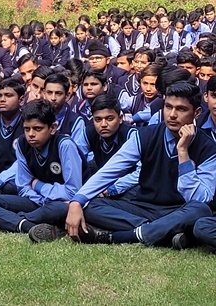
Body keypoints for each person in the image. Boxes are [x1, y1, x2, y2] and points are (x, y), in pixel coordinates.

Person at [65, 81, 216, 249]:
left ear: (197, 112)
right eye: (168, 107)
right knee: (90, 205)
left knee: (201, 210)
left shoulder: (208, 147)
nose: (172, 115)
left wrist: (183, 153)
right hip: (143, 208)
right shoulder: (145, 135)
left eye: (181, 109)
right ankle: (163, 231)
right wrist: (77, 200)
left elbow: (200, 198)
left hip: (180, 210)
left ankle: (126, 235)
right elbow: (110, 171)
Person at [0, 99, 82, 243]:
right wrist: (39, 198)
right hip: (36, 201)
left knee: (61, 209)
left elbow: (73, 192)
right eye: (27, 129)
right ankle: (27, 225)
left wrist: (38, 185)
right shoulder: (23, 143)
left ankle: (11, 219)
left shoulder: (64, 145)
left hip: (60, 204)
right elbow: (23, 186)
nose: (31, 134)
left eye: (38, 129)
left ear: (53, 128)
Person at [77, 94, 139, 198]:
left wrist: (113, 188)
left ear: (120, 118)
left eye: (109, 119)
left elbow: (142, 171)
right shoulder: (88, 132)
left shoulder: (132, 135)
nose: (103, 124)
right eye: (98, 119)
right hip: (102, 183)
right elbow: (75, 162)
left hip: (127, 185)